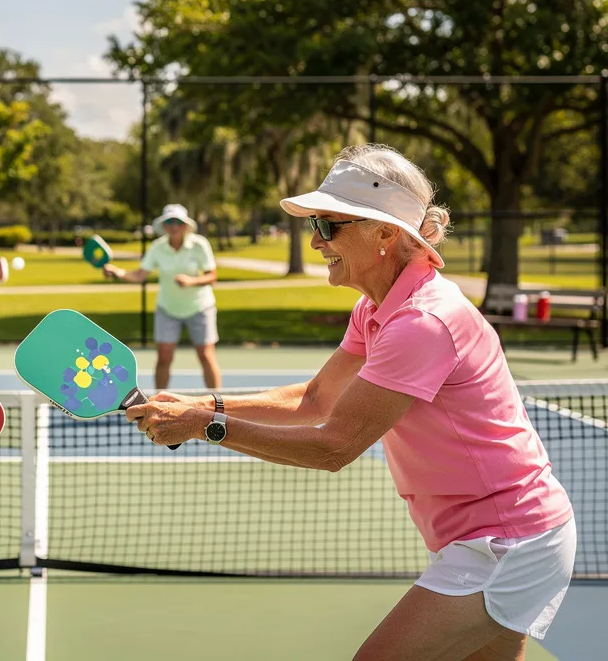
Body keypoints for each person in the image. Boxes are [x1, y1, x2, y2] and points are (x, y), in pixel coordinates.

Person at [125, 145, 575, 661]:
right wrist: (204, 402)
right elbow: (316, 399)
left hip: (508, 540)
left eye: (329, 226)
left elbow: (334, 445)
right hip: (485, 534)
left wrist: (206, 425)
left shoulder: (421, 323)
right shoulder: (377, 307)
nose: (316, 242)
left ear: (386, 233)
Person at [104, 203, 222, 390]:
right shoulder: (157, 247)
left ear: (185, 225)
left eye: (178, 222)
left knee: (206, 355)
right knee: (164, 357)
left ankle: (219, 404)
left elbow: (212, 276)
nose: (174, 225)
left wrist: (191, 281)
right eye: (169, 222)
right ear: (164, 226)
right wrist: (118, 272)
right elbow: (140, 274)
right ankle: (159, 403)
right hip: (168, 309)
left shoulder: (200, 244)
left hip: (200, 307)